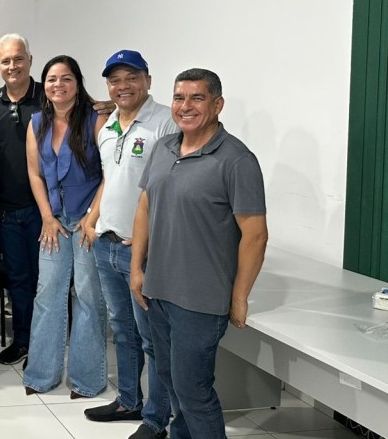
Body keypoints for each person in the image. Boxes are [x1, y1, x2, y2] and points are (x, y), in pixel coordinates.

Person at [131, 68, 267, 439]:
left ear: (217, 104)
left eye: (197, 98)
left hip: (201, 299)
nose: (185, 106)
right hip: (158, 290)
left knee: (193, 390)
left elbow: (255, 236)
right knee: (169, 379)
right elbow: (144, 206)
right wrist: (137, 269)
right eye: (179, 97)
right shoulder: (163, 147)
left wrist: (239, 297)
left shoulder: (237, 160)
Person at [82, 50, 176, 439]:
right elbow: (111, 178)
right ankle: (128, 400)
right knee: (121, 330)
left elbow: (171, 188)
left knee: (153, 338)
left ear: (148, 81)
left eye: (131, 77)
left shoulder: (165, 122)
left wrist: (148, 237)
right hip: (107, 244)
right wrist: (93, 217)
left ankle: (156, 419)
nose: (123, 86)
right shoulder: (107, 127)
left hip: (143, 251)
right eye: (115, 80)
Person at [22, 55, 108, 400]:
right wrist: (46, 215)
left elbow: (110, 172)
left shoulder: (96, 118)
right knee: (48, 294)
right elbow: (34, 173)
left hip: (87, 222)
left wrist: (92, 216)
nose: (58, 85)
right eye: (52, 79)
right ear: (44, 85)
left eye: (66, 78)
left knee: (87, 296)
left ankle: (87, 380)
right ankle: (41, 375)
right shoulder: (37, 123)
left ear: (77, 83)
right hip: (54, 222)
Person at [0, 33, 44, 365]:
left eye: (18, 58)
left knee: (45, 280)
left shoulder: (48, 96)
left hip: (45, 210)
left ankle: (44, 346)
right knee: (18, 279)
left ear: (30, 60)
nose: (12, 66)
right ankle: (22, 341)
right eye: (6, 61)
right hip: (6, 210)